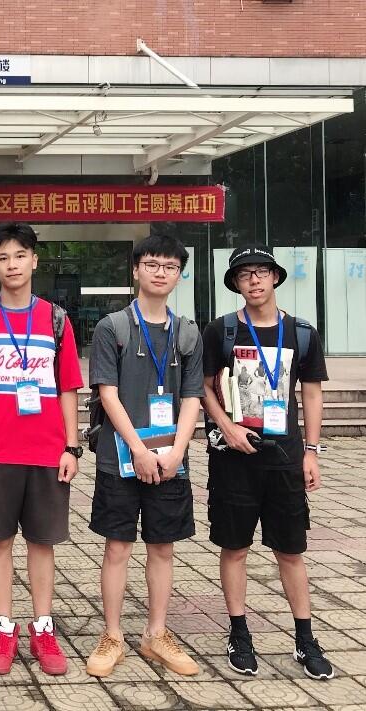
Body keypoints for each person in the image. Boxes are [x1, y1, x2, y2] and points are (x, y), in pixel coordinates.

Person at [0, 222, 83, 677]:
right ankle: (3, 627)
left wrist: (71, 447)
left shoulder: (56, 319)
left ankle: (43, 627)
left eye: (20, 255)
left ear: (34, 260)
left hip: (47, 453)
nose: (12, 265)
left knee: (42, 543)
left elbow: (68, 387)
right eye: (3, 257)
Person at [201, 245, 333, 680]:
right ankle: (239, 634)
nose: (254, 280)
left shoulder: (302, 332)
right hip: (233, 458)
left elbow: (311, 393)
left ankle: (305, 638)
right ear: (235, 284)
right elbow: (203, 386)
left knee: (291, 550)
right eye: (244, 274)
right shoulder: (221, 331)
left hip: (285, 457)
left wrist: (311, 451)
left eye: (261, 272)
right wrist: (227, 427)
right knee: (234, 547)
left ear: (275, 277)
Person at [85, 234, 203, 678]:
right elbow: (107, 393)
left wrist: (177, 452)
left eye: (170, 267)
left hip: (170, 459)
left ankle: (156, 633)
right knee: (117, 546)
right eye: (151, 264)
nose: (160, 273)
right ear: (135, 270)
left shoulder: (187, 331)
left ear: (179, 275)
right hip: (120, 457)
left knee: (163, 547)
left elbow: (191, 398)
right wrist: (138, 448)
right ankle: (112, 635)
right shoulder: (113, 327)